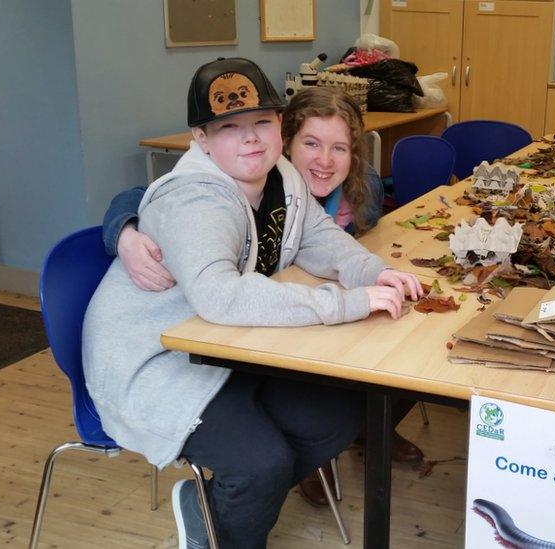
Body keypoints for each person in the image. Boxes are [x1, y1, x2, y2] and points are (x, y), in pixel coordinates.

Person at [83, 57, 423, 549]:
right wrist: (348, 301)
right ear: (201, 137)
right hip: (155, 362)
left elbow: (320, 237)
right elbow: (220, 295)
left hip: (225, 347)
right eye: (229, 127)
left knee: (335, 417)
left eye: (261, 122)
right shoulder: (196, 199)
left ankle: (216, 508)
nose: (250, 139)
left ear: (279, 125)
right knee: (260, 463)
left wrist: (376, 272)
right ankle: (229, 521)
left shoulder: (280, 174)